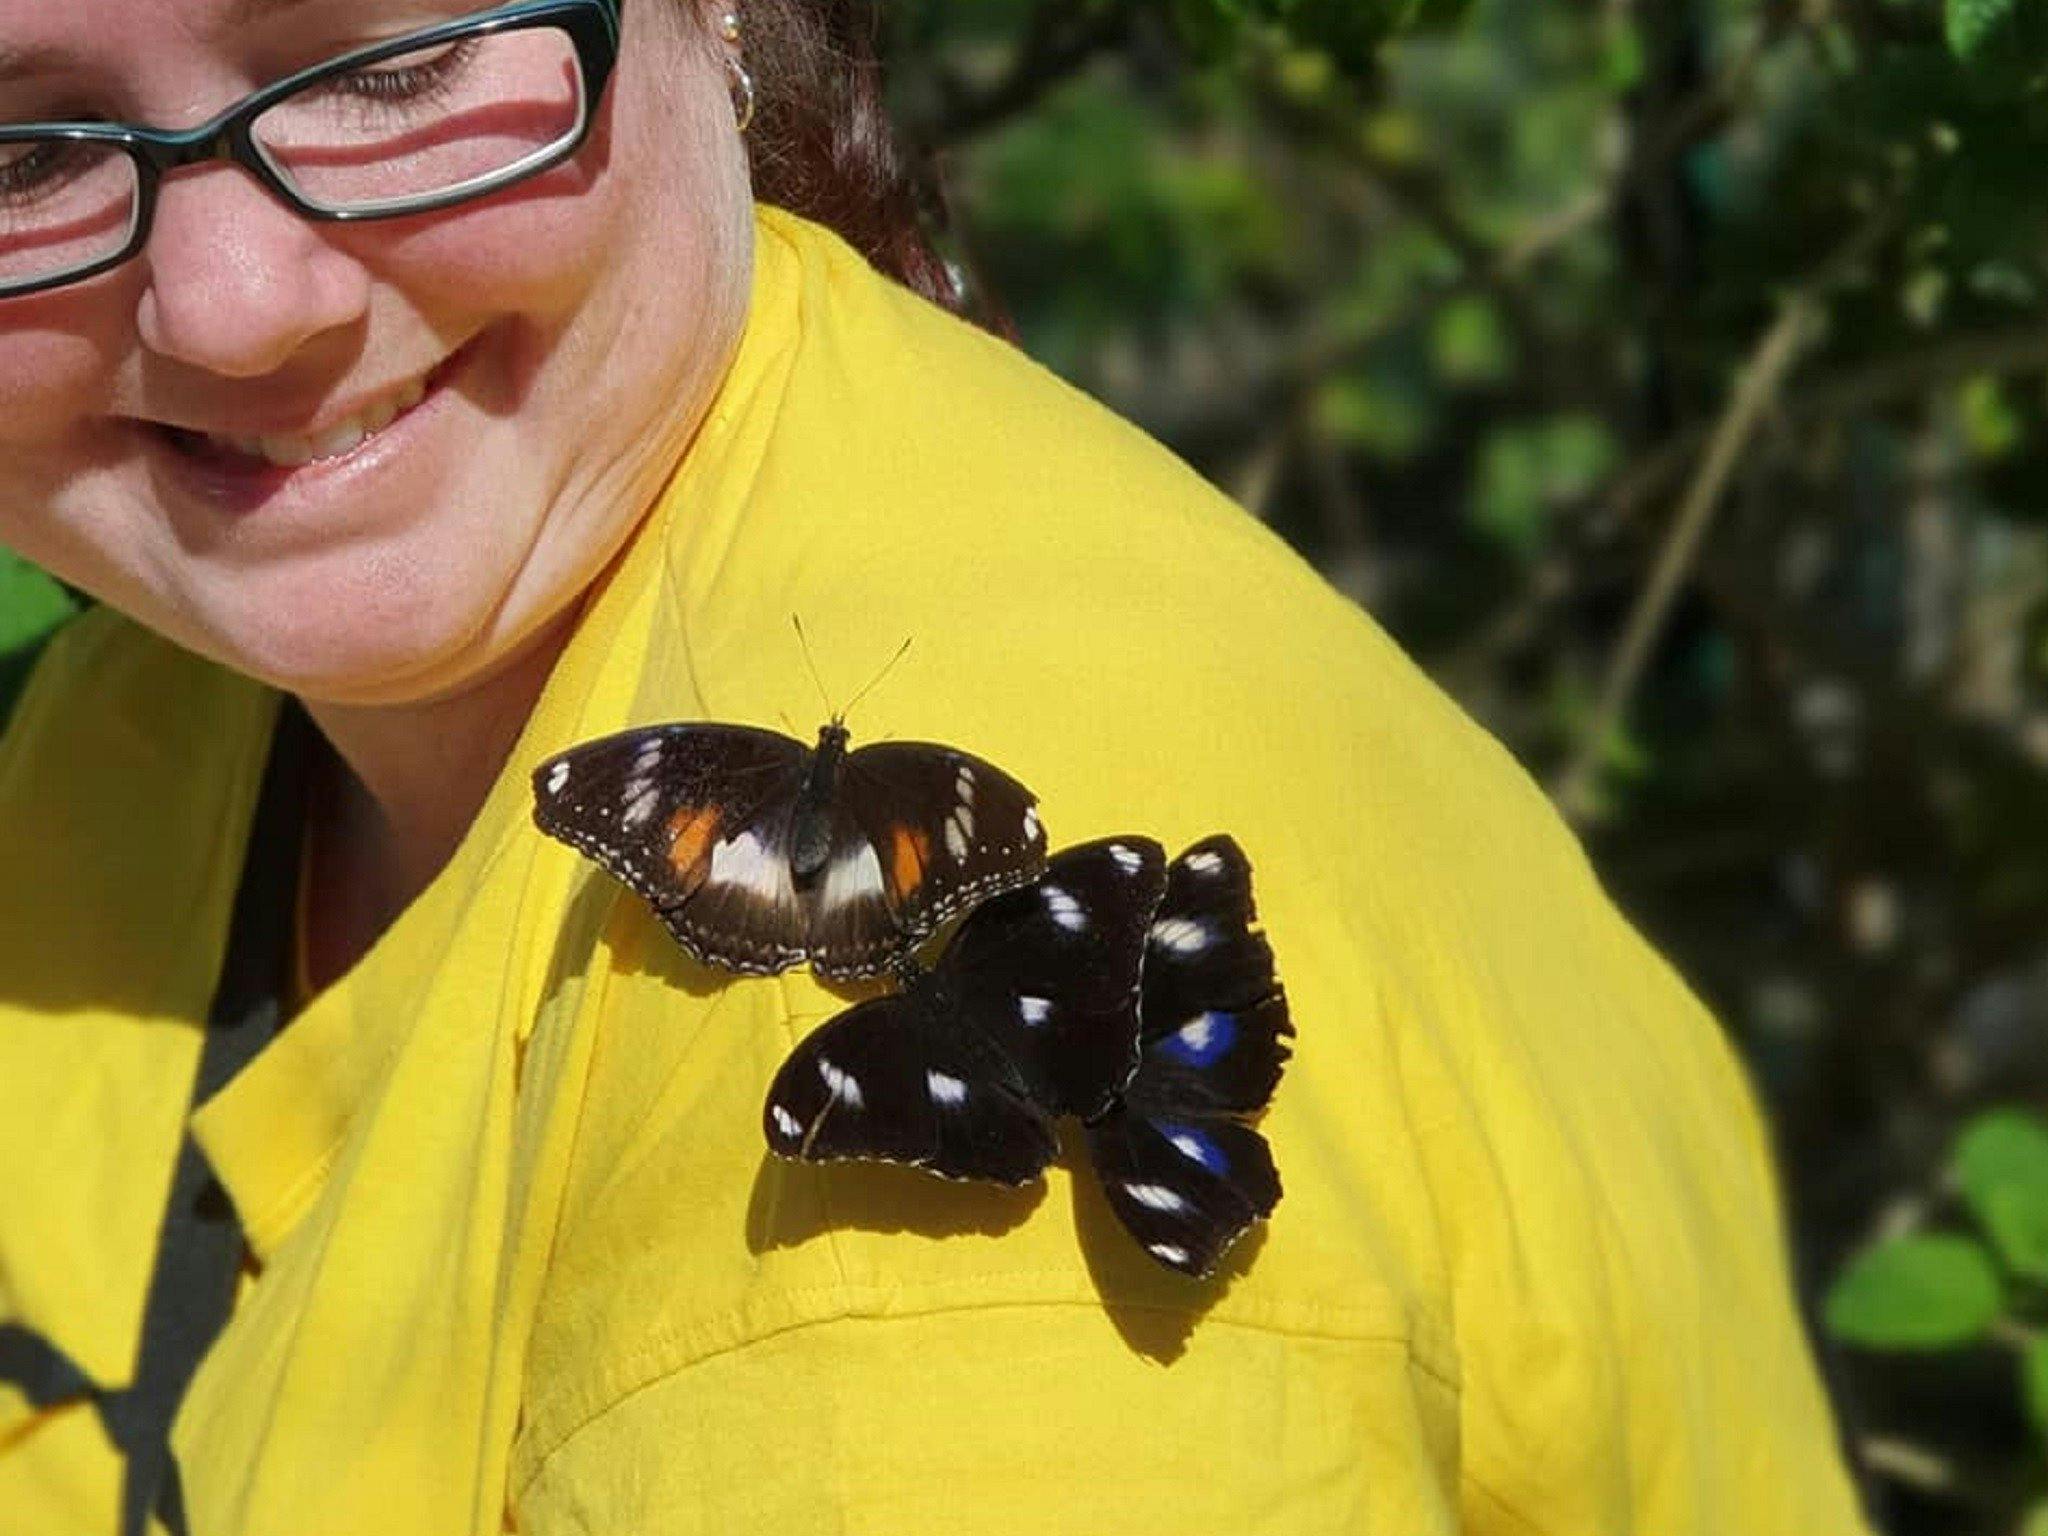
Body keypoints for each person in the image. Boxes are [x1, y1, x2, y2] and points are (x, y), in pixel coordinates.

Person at [0, 1, 1873, 1532]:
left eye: (392, 64)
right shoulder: (127, 732)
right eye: (21, 153)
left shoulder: (890, 1331)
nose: (231, 303)